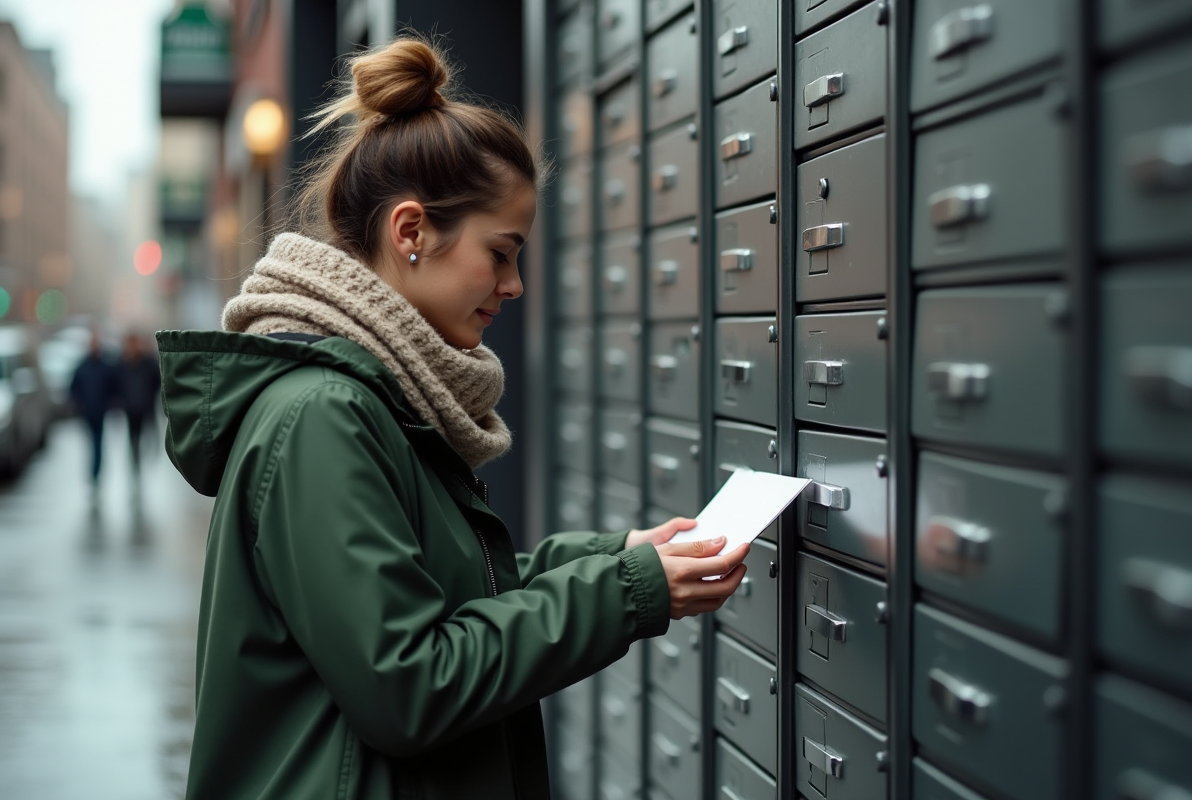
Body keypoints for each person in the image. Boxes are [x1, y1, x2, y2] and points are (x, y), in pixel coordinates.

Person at [157, 37, 750, 800]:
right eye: (500, 254)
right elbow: (409, 684)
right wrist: (629, 592)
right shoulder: (323, 416)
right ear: (411, 233)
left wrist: (619, 557)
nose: (515, 285)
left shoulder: (372, 395)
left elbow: (446, 592)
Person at [69, 332, 115, 492]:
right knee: (91, 444)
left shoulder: (105, 366)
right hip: (87, 412)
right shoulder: (82, 366)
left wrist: (111, 403)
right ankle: (93, 473)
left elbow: (112, 388)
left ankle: (96, 473)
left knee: (98, 443)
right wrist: (77, 403)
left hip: (100, 412)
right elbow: (73, 388)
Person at [115, 332, 161, 475]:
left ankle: (146, 458)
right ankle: (136, 462)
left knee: (149, 435)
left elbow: (157, 380)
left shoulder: (147, 362)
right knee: (133, 438)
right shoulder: (122, 364)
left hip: (146, 406)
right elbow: (117, 385)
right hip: (130, 408)